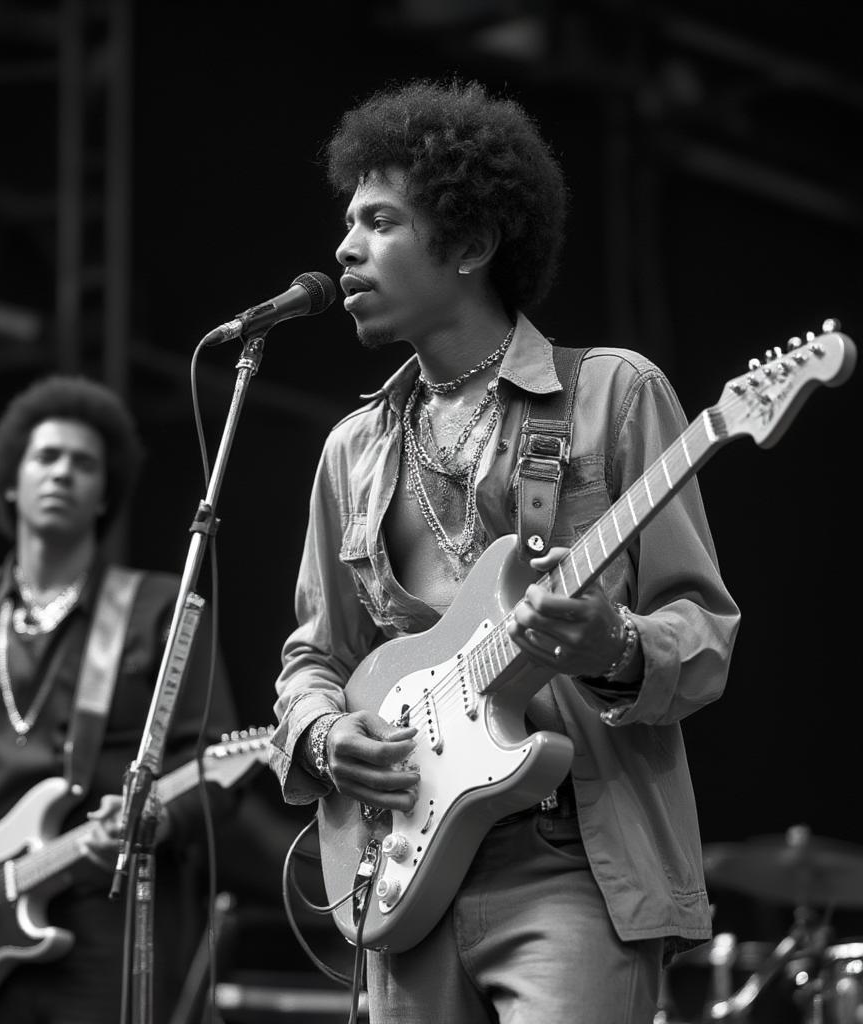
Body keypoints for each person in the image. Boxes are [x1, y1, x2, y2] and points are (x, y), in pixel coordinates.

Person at [267, 77, 741, 1024]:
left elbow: (706, 634)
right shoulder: (351, 453)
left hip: (573, 864)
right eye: (347, 221)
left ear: (474, 245)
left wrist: (613, 648)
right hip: (403, 873)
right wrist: (326, 736)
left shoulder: (611, 395)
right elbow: (315, 657)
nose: (344, 247)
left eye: (381, 221)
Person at [0, 375, 241, 1024]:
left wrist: (149, 821)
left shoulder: (158, 609)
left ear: (106, 494)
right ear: (11, 480)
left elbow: (213, 766)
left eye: (85, 464)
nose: (64, 473)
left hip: (106, 927)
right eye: (47, 457)